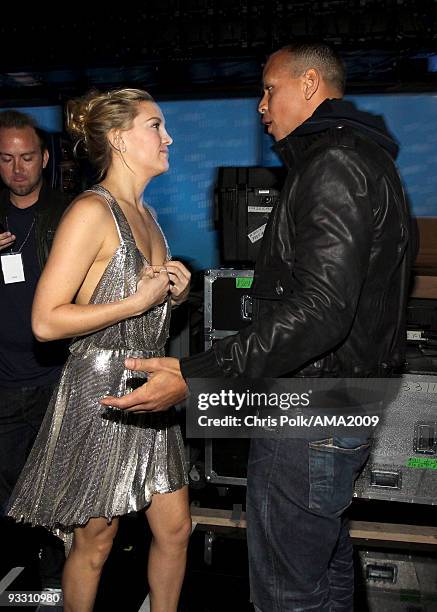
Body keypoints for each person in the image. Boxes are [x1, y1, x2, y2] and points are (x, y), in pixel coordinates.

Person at [102, 43, 413, 611]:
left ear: (311, 84)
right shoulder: (360, 157)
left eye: (270, 89)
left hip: (310, 407)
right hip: (339, 398)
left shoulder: (334, 164)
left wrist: (198, 376)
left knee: (285, 590)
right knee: (322, 565)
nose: (260, 106)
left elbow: (320, 308)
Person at [7, 88, 192, 612]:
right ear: (118, 139)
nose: (168, 137)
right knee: (95, 540)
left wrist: (173, 295)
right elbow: (46, 321)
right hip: (100, 391)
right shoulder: (92, 211)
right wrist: (138, 299)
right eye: (155, 126)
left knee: (176, 529)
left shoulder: (148, 213)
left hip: (148, 385)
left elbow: (136, 311)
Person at [0, 110, 70, 593]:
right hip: (3, 379)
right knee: (7, 488)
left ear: (44, 158)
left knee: (55, 482)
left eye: (27, 157)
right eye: (6, 159)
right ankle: (20, 569)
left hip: (55, 372)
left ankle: (53, 575)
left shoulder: (69, 214)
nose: (17, 168)